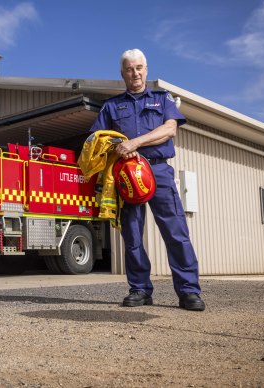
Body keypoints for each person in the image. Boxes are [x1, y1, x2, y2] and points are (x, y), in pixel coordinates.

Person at [90, 49, 205, 311]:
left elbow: (169, 129)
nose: (135, 73)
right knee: (131, 236)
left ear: (146, 70)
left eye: (139, 68)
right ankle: (140, 289)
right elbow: (98, 140)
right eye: (129, 69)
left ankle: (189, 291)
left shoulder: (162, 99)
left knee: (176, 233)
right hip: (127, 176)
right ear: (123, 73)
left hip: (158, 172)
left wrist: (135, 143)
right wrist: (114, 150)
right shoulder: (111, 107)